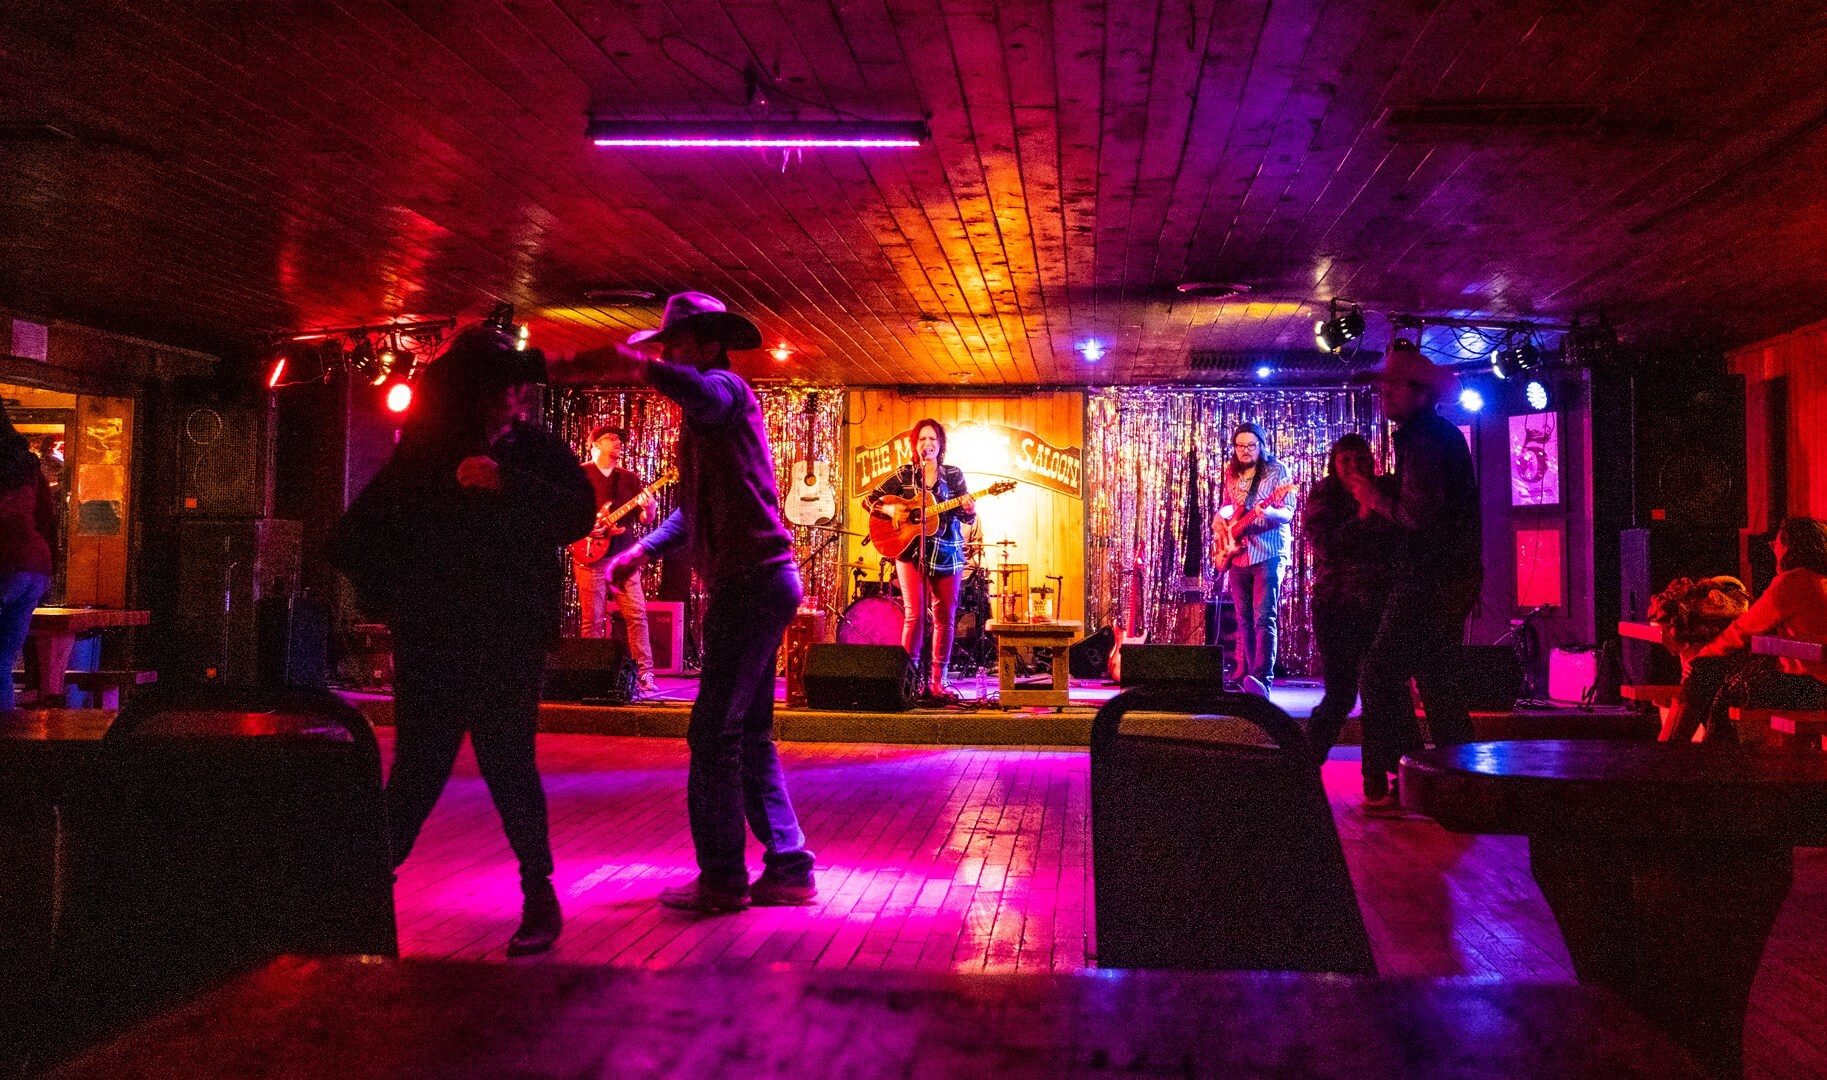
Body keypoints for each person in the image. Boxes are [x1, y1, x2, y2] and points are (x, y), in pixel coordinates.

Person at [330, 323, 596, 956]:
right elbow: (352, 539)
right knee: (422, 769)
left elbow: (578, 516)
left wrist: (507, 483)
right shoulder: (424, 454)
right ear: (475, 392)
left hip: (505, 638)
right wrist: (399, 604)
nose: (512, 397)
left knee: (507, 767)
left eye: (513, 387)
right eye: (501, 387)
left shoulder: (533, 450)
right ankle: (364, 898)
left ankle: (539, 898)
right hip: (439, 637)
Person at [563, 292, 817, 913]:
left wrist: (641, 367)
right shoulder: (704, 424)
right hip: (761, 582)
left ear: (707, 345)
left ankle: (725, 878)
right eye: (664, 350)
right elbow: (691, 512)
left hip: (752, 585)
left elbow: (706, 394)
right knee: (749, 731)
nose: (670, 355)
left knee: (712, 733)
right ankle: (788, 866)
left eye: (676, 346)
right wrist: (639, 550)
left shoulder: (726, 390)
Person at [1343, 340, 1482, 815]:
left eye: (1393, 387)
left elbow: (1419, 516)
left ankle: (1415, 774)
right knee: (1438, 680)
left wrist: (1369, 493)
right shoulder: (1434, 436)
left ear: (1419, 393)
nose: (1383, 393)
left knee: (1380, 673)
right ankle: (1455, 784)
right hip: (1448, 577)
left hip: (1430, 578)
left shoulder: (1423, 440)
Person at [1669, 516, 1827, 742]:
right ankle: (1697, 755)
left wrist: (1700, 656)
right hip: (1817, 686)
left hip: (1811, 689)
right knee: (1716, 674)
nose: (1774, 550)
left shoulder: (1793, 581)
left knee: (1712, 678)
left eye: (1776, 544)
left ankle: (1690, 758)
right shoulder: (1821, 580)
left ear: (1790, 547)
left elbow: (1743, 629)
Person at [1303, 434, 1400, 771]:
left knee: (1380, 692)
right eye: (1346, 461)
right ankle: (1303, 763)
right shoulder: (1324, 495)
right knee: (1342, 694)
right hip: (1336, 603)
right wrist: (1362, 511)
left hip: (1378, 602)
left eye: (1361, 460)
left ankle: (1376, 778)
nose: (1355, 467)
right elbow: (1326, 545)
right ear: (1335, 464)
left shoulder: (1385, 492)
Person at [862, 419, 976, 701]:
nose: (928, 444)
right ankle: (908, 680)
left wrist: (970, 511)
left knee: (945, 618)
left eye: (933, 439)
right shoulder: (904, 475)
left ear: (940, 444)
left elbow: (964, 515)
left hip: (948, 551)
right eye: (923, 439)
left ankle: (939, 681)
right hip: (910, 552)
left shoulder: (954, 475)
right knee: (914, 616)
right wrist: (892, 511)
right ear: (915, 444)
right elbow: (870, 500)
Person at [572, 423, 657, 695]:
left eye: (619, 438)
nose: (618, 441)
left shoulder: (629, 479)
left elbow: (645, 520)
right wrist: (585, 526)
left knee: (637, 615)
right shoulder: (580, 475)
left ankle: (645, 674)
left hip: (623, 560)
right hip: (589, 556)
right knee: (592, 620)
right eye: (611, 438)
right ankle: (589, 676)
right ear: (595, 444)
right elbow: (566, 514)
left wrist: (650, 507)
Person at [1213, 421, 1295, 696]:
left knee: (1264, 618)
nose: (1246, 450)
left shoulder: (1277, 471)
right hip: (1239, 555)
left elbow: (1288, 513)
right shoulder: (1232, 473)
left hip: (1268, 552)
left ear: (1262, 445)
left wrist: (1269, 513)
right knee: (1244, 620)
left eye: (1251, 445)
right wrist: (1219, 519)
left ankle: (1263, 680)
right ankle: (1251, 679)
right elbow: (1229, 507)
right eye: (1240, 446)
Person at [0, 404, 55, 709]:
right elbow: (47, 518)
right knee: (2, 660)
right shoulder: (28, 466)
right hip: (35, 562)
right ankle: (8, 746)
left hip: (4, 558)